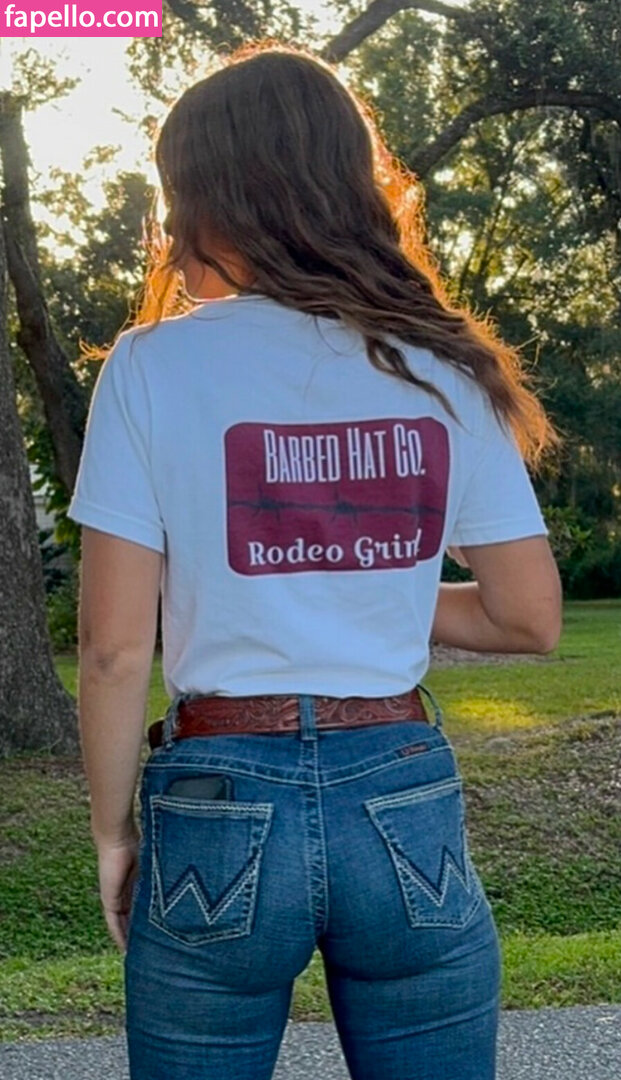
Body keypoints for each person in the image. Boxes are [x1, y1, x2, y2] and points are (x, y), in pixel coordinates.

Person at [67, 41, 563, 1080]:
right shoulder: (443, 363)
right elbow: (526, 617)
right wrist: (358, 582)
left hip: (217, 801)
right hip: (400, 792)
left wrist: (114, 836)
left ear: (213, 198)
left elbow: (113, 650)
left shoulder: (150, 367)